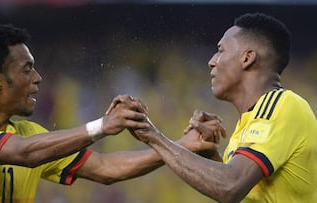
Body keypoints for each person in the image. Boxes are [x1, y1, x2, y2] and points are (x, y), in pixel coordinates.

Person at [0, 22, 217, 202]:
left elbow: (106, 168)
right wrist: (102, 126)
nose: (37, 78)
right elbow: (25, 153)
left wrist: (181, 146)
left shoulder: (28, 133)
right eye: (27, 69)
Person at [131, 12, 317, 202]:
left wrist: (152, 135)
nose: (211, 61)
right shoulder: (247, 124)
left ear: (247, 58)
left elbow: (229, 188)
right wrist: (210, 156)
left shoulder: (284, 105)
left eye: (221, 50)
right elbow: (241, 192)